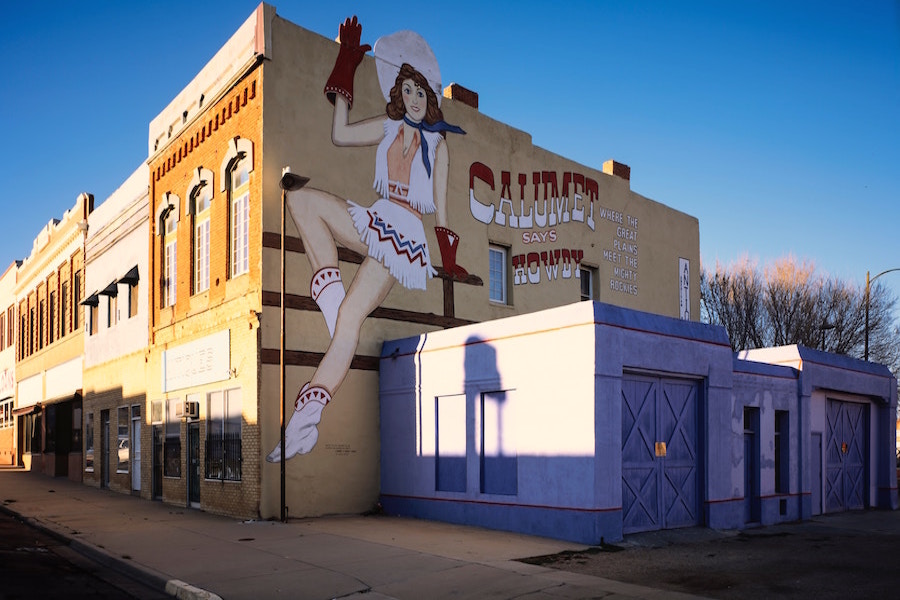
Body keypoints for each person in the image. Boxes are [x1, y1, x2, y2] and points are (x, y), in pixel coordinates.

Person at [268, 17, 469, 461]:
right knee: (301, 202)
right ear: (400, 94)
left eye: (422, 92)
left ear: (432, 97)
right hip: (377, 217)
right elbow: (339, 135)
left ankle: (306, 421)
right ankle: (338, 316)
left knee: (350, 322)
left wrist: (448, 260)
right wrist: (345, 66)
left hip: (404, 237)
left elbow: (444, 211)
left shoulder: (440, 147)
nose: (415, 100)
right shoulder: (386, 124)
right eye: (408, 91)